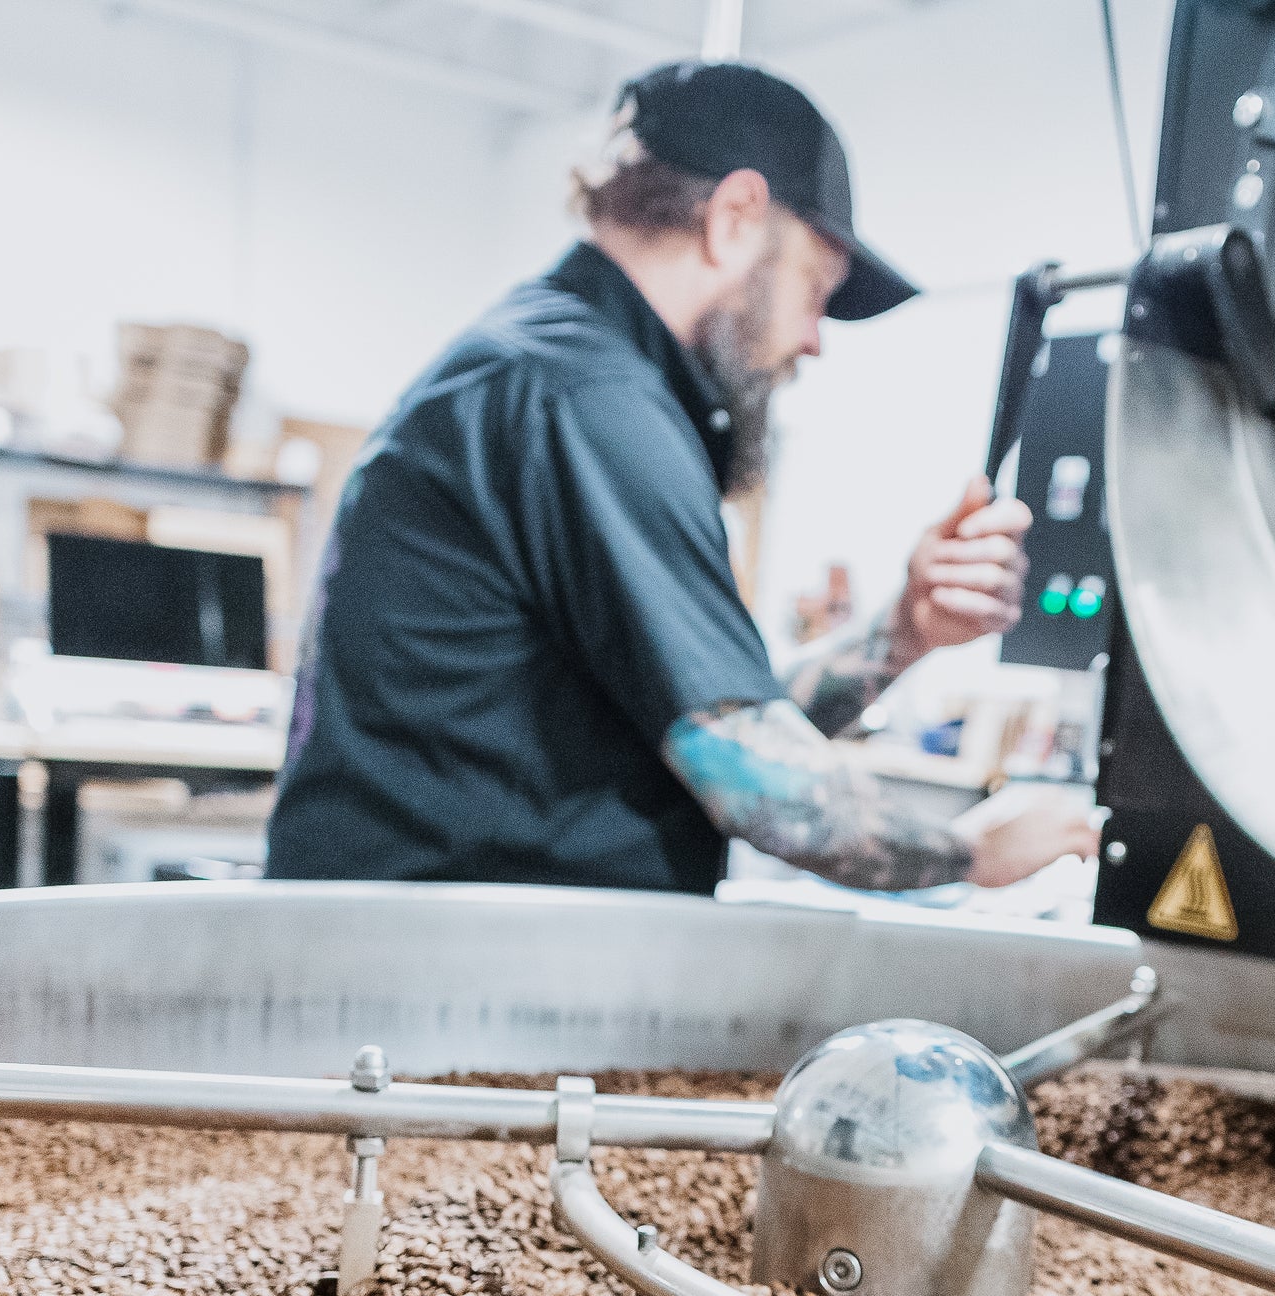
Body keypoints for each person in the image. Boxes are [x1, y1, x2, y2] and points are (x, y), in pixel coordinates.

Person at [265, 60, 1099, 897]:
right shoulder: (589, 400)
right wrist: (970, 855)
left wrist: (904, 634)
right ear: (735, 217)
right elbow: (759, 786)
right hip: (441, 980)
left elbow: (722, 722)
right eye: (816, 288)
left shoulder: (553, 372)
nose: (814, 340)